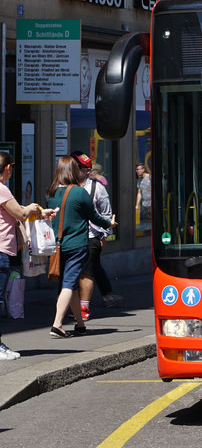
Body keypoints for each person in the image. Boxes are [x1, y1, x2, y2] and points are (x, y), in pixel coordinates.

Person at [46, 155, 116, 338]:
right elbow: (95, 217)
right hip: (77, 245)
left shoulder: (51, 192)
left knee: (70, 285)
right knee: (69, 284)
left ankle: (79, 323)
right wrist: (109, 225)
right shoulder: (79, 192)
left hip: (58, 245)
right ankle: (57, 324)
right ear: (72, 171)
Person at [0, 151, 50, 359]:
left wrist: (39, 211)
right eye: (11, 166)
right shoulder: (2, 189)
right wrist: (32, 207)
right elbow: (20, 213)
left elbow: (14, 210)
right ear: (8, 168)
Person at [72, 152, 122, 319]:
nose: (87, 172)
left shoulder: (97, 187)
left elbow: (106, 213)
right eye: (83, 168)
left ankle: (83, 308)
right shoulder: (64, 186)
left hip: (90, 236)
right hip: (69, 237)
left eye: (88, 169)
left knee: (86, 272)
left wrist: (104, 236)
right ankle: (71, 306)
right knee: (71, 274)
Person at [134, 162, 151, 229]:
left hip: (151, 204)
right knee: (146, 222)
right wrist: (137, 205)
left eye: (138, 169)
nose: (137, 171)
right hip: (144, 205)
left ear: (143, 169)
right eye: (136, 170)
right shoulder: (139, 180)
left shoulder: (150, 177)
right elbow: (139, 193)